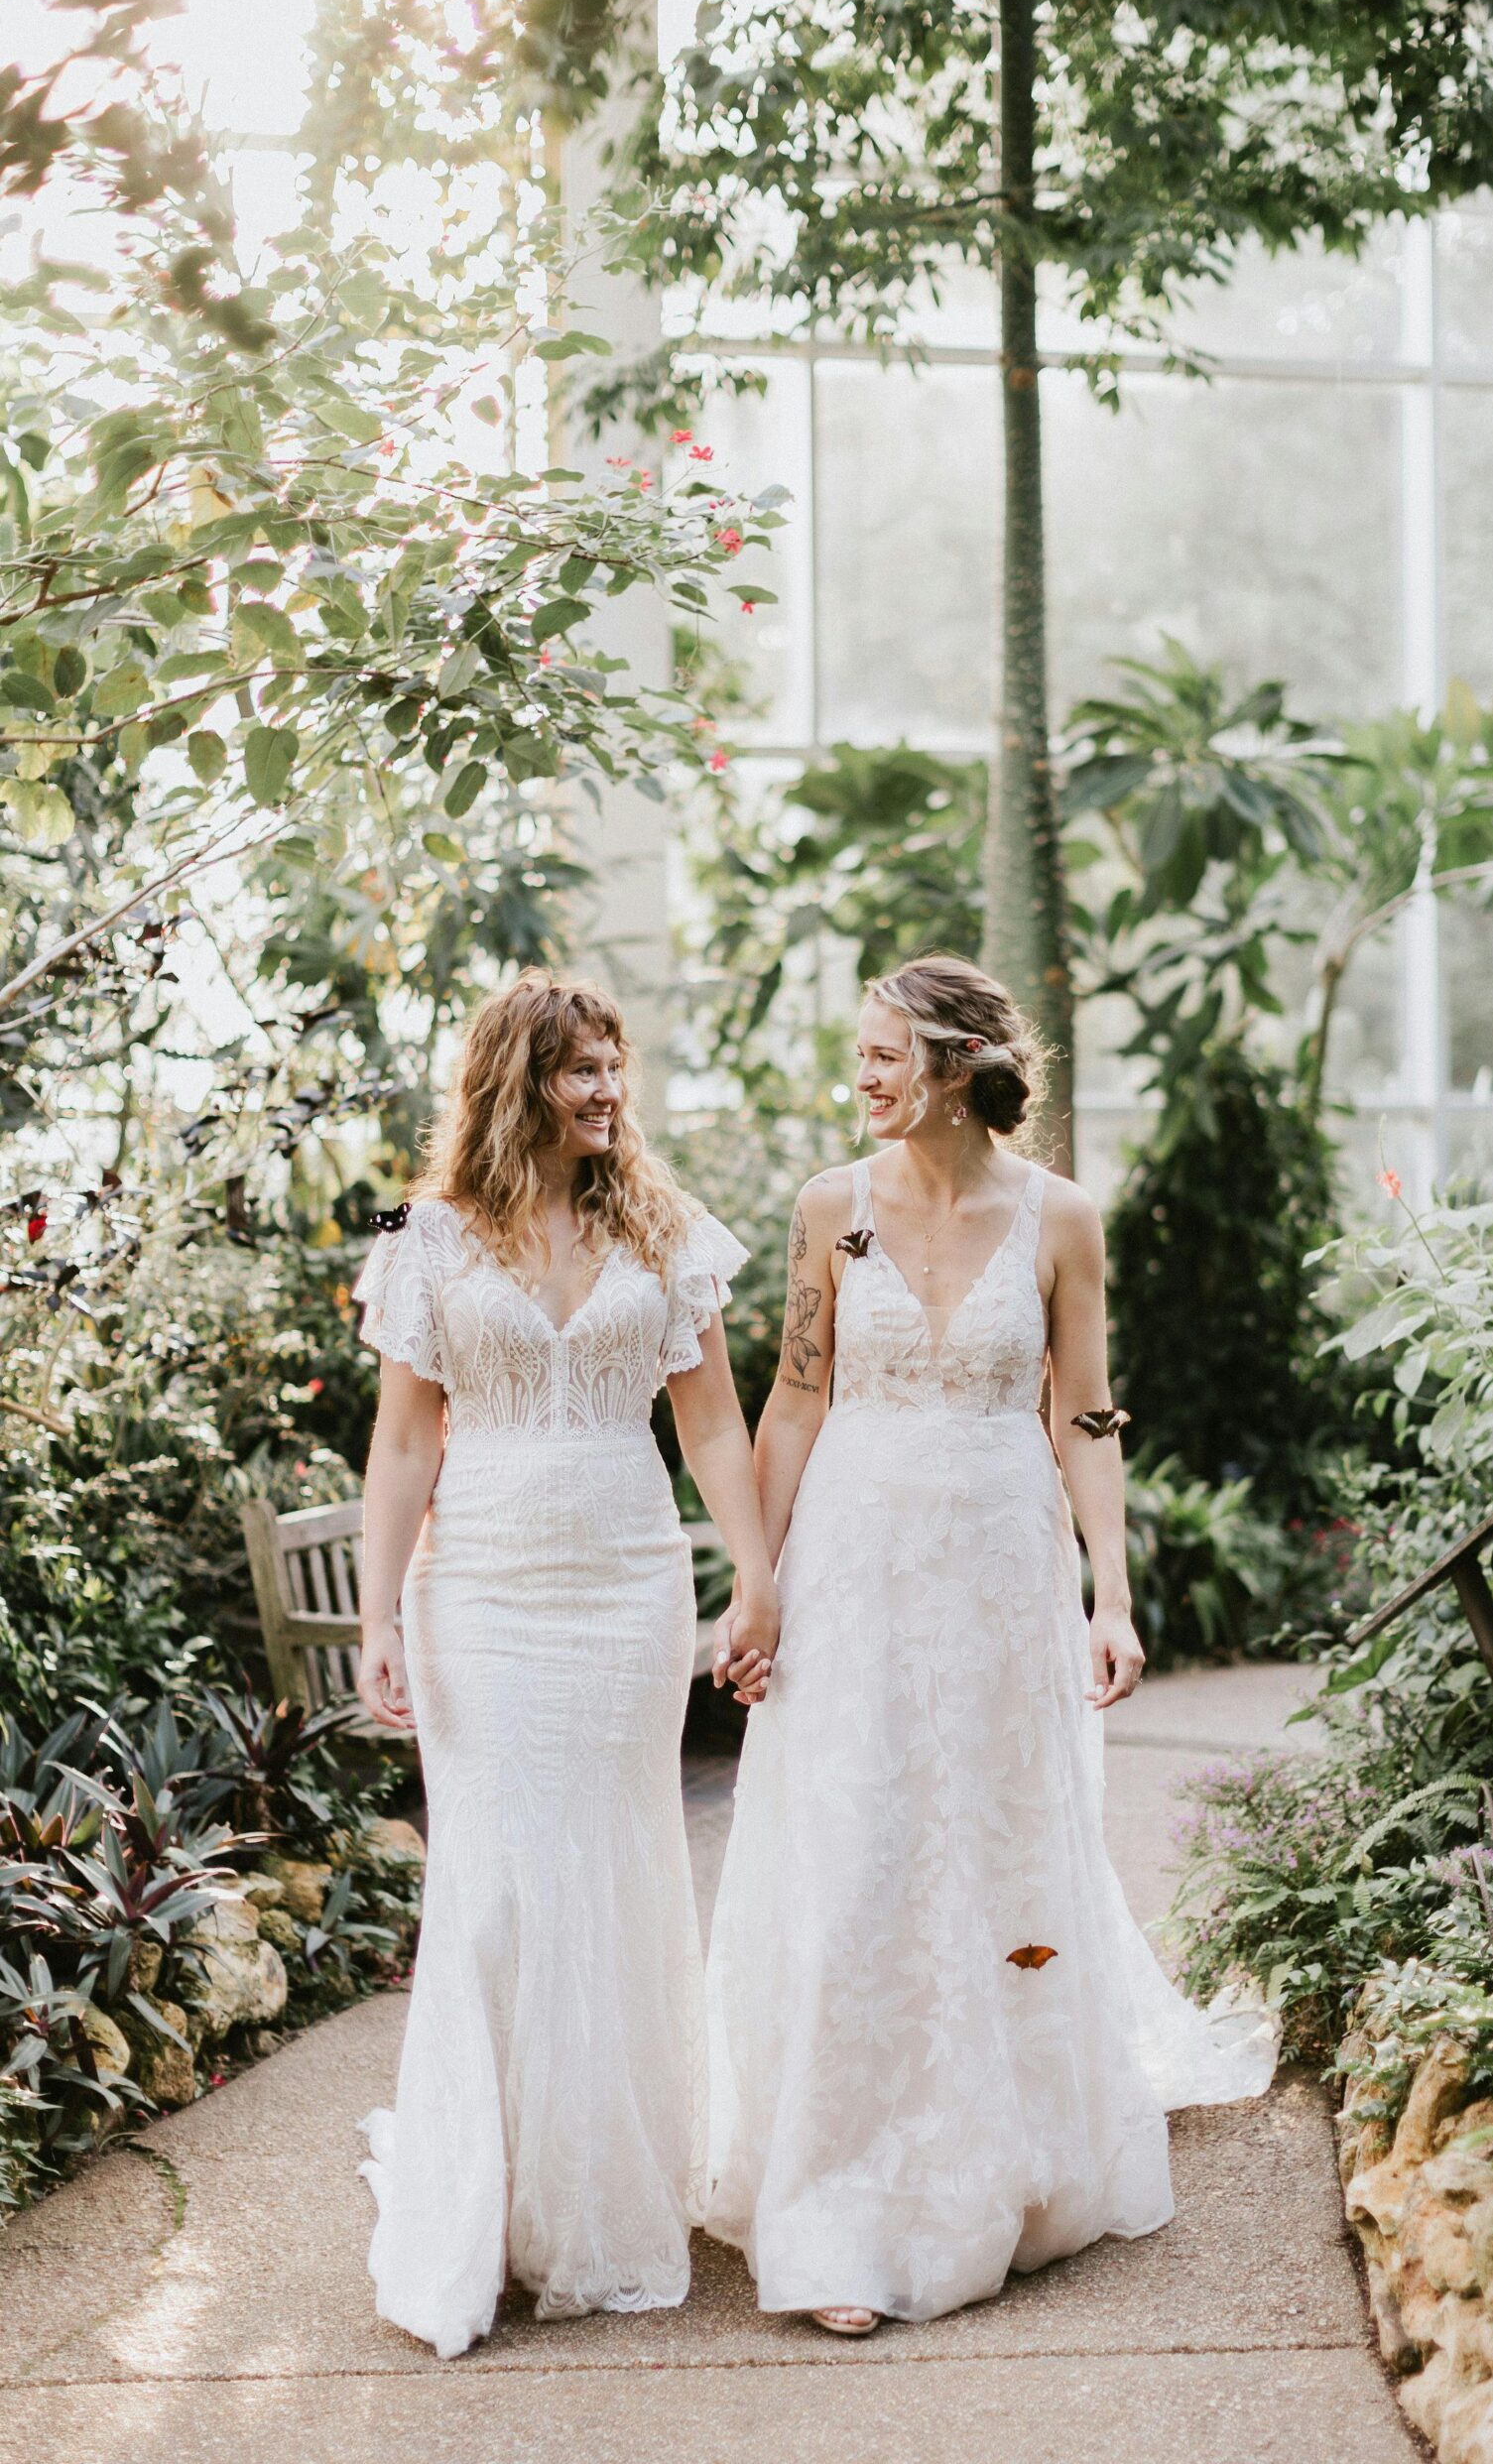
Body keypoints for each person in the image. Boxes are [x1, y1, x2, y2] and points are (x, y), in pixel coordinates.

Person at [705, 952, 1276, 2335]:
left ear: (960, 1064)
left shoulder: (1061, 1220)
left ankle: (1007, 2161)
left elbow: (1084, 1416)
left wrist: (1115, 1595)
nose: (866, 1075)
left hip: (1004, 1567)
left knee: (998, 1846)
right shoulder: (833, 1213)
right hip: (852, 1563)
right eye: (861, 1053)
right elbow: (793, 1401)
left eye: (888, 1052)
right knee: (860, 1851)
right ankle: (844, 2202)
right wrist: (754, 1581)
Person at [352, 970, 777, 2358]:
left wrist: (755, 1571)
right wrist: (373, 1619)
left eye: (614, 1068)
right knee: (490, 1887)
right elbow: (405, 1445)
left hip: (624, 1585)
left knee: (611, 1867)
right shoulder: (427, 1241)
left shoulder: (661, 1233)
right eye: (579, 1071)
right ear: (513, 1081)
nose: (606, 1093)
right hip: (474, 1590)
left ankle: (602, 2201)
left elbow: (712, 1427)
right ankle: (485, 2207)